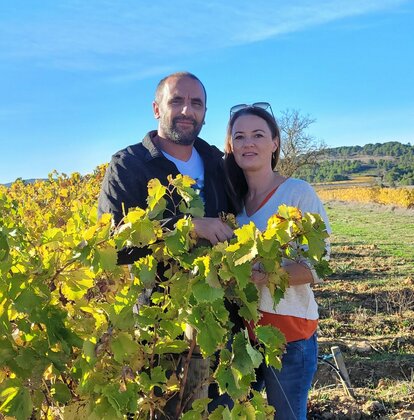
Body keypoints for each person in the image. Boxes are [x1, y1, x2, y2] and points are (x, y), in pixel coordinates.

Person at [97, 72, 236, 416]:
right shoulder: (128, 165)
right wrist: (188, 227)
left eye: (196, 103)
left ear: (205, 113)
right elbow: (110, 244)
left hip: (216, 322)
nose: (187, 110)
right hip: (157, 329)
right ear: (156, 108)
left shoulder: (218, 163)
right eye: (177, 101)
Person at [223, 103, 331, 420]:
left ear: (275, 143)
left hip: (291, 336)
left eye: (258, 134)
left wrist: (265, 275)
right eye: (239, 136)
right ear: (230, 146)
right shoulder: (234, 204)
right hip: (244, 337)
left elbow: (317, 267)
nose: (248, 143)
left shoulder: (297, 193)